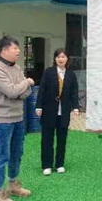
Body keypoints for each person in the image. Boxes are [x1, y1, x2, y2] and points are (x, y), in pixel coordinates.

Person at [0, 36, 34, 201]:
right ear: (4, 50)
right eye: (15, 48)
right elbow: (12, 91)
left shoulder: (17, 68)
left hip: (18, 118)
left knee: (17, 153)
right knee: (1, 156)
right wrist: (26, 82)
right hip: (2, 120)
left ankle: (13, 184)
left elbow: (25, 93)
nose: (18, 51)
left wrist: (20, 87)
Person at [36, 48, 79, 176]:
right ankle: (47, 165)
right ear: (55, 59)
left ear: (67, 59)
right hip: (48, 110)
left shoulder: (71, 74)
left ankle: (59, 164)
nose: (61, 59)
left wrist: (75, 107)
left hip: (63, 112)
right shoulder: (48, 72)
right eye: (58, 57)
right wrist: (38, 107)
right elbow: (42, 90)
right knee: (47, 139)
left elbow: (74, 92)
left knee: (62, 139)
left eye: (63, 57)